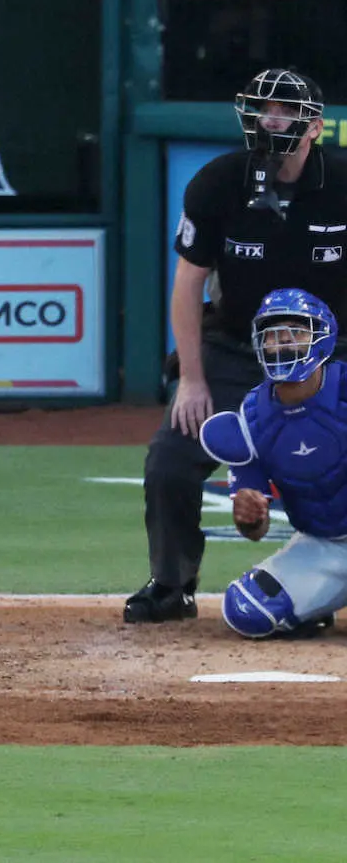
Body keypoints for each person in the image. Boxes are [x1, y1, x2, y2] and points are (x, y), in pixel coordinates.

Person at [124, 68, 347, 624]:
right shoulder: (218, 181)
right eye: (261, 109)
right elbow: (187, 283)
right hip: (236, 348)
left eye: (283, 111)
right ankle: (171, 584)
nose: (270, 120)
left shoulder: (343, 183)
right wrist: (193, 380)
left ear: (315, 127)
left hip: (332, 355)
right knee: (171, 460)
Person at [200, 288, 345, 639]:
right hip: (323, 546)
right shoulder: (251, 421)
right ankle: (316, 604)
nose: (282, 344)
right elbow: (255, 532)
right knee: (249, 608)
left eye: (295, 333)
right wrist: (249, 517)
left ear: (321, 339)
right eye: (273, 336)